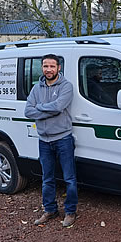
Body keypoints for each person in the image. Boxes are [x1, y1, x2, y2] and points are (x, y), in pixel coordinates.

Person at [24, 54, 78, 228]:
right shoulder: (36, 88)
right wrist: (46, 109)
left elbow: (58, 107)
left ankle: (70, 212)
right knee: (47, 179)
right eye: (45, 66)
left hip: (63, 138)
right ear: (42, 68)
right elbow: (28, 111)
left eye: (52, 66)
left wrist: (39, 108)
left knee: (69, 178)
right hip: (44, 140)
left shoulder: (66, 86)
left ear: (58, 68)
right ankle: (50, 210)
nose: (48, 70)